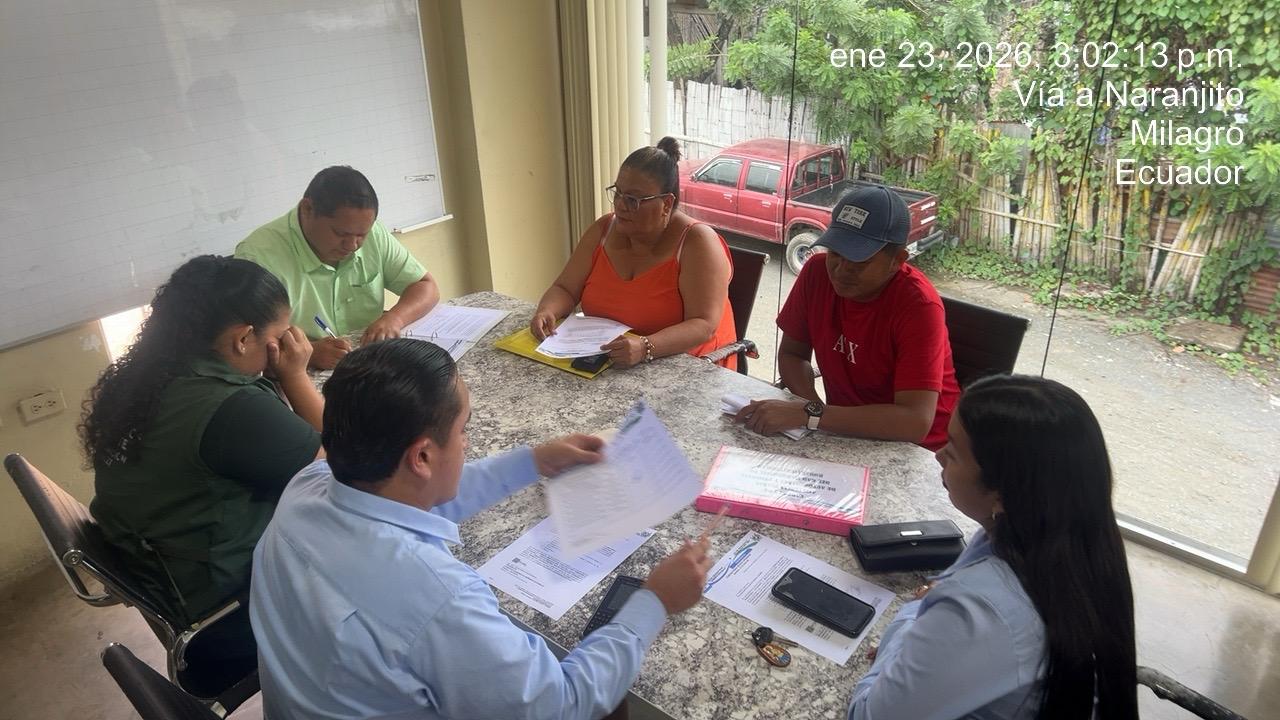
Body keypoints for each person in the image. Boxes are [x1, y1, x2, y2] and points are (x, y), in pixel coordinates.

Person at [250, 339, 713, 720]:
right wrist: (654, 601)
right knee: (611, 705)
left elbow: (417, 494)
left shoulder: (308, 486)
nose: (468, 442)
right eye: (463, 430)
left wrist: (533, 461)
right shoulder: (437, 598)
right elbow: (561, 704)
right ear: (422, 456)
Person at [848, 375, 1138, 719]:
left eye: (953, 451)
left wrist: (912, 618)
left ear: (1001, 493)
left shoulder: (981, 608)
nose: (939, 456)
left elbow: (868, 714)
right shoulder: (1064, 539)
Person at [82, 255, 323, 665]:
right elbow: (339, 469)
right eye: (279, 336)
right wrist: (296, 375)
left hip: (166, 570)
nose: (285, 346)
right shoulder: (233, 408)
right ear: (242, 338)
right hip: (229, 608)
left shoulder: (148, 375)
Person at [733, 184, 959, 450]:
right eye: (836, 253)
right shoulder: (816, 273)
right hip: (842, 431)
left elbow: (914, 422)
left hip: (922, 451)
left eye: (859, 261)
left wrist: (810, 415)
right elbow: (792, 354)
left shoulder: (919, 306)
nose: (841, 270)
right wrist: (811, 410)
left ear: (898, 260)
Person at [530, 137, 737, 370]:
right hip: (612, 360)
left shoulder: (697, 242)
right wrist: (547, 311)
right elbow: (565, 288)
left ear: (666, 204)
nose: (620, 205)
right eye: (618, 193)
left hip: (692, 367)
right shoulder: (603, 230)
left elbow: (704, 325)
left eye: (633, 199)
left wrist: (646, 346)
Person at [235, 165, 440, 369]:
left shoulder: (373, 233)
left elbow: (425, 285)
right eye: (340, 234)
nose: (352, 245)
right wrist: (310, 353)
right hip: (298, 372)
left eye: (361, 235)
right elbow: (245, 345)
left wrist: (395, 318)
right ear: (307, 210)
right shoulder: (258, 255)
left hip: (369, 361)